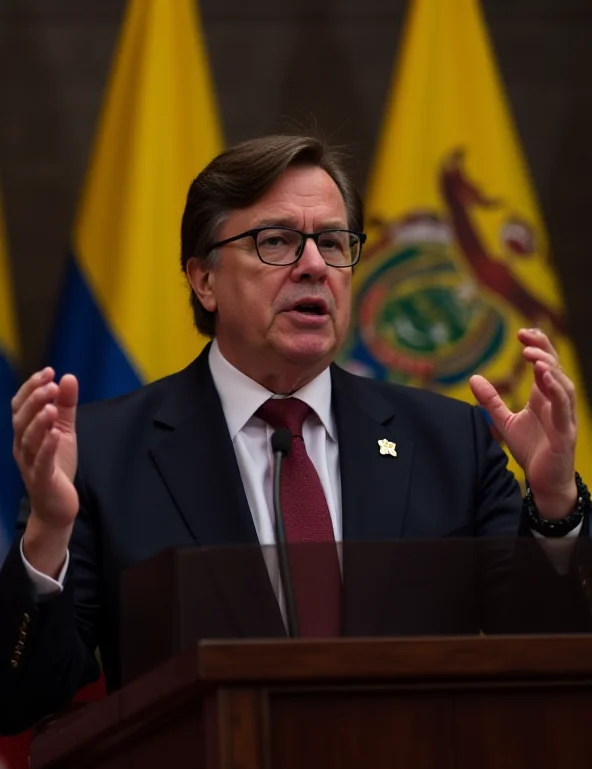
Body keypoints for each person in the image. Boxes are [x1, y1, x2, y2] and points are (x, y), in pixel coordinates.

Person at [0, 134, 589, 735]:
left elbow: (551, 651)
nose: (314, 266)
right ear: (204, 279)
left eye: (333, 243)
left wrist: (554, 503)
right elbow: (20, 698)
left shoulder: (448, 442)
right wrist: (48, 532)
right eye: (276, 241)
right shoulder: (104, 455)